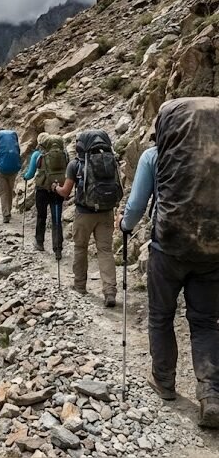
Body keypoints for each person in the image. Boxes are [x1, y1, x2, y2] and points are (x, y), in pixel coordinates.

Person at [118, 98, 219, 428]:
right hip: (212, 251)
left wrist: (125, 226)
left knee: (161, 315)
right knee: (204, 322)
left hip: (168, 248)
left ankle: (164, 381)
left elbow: (135, 205)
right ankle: (211, 396)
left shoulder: (154, 155)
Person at [52, 129, 122, 308]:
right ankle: (110, 292)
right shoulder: (111, 161)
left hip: (84, 213)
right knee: (105, 250)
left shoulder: (75, 164)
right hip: (106, 211)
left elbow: (66, 193)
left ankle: (80, 286)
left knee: (80, 248)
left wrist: (55, 188)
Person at [23, 132, 66, 258]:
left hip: (42, 190)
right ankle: (58, 249)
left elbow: (30, 174)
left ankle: (39, 242)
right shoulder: (64, 155)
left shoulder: (38, 155)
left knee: (41, 216)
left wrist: (24, 177)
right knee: (56, 218)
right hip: (57, 189)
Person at [0, 130, 21, 223]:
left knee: (3, 193)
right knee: (10, 191)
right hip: (13, 172)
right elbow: (18, 155)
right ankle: (9, 210)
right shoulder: (15, 146)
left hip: (1, 172)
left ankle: (6, 214)